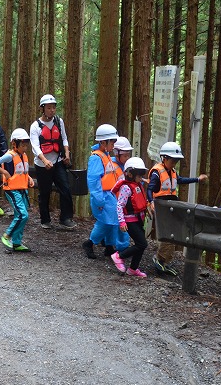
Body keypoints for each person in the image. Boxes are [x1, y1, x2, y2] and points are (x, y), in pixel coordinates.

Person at [147, 141, 208, 276]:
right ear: (165, 158)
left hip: (171, 207)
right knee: (168, 234)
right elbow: (150, 189)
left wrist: (197, 179)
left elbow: (180, 180)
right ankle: (160, 259)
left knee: (173, 234)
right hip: (162, 207)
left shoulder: (172, 172)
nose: (174, 163)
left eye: (176, 161)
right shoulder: (157, 173)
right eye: (173, 161)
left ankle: (163, 261)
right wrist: (150, 201)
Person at [29, 94, 75, 230]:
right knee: (45, 192)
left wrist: (66, 154)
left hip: (58, 161)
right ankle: (45, 219)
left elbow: (64, 139)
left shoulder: (58, 121)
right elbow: (35, 146)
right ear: (42, 109)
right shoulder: (35, 126)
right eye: (49, 108)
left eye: (54, 107)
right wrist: (44, 160)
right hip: (43, 165)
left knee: (65, 188)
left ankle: (65, 218)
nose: (52, 110)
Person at [0, 128, 35, 252]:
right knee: (23, 215)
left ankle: (16, 242)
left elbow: (21, 171)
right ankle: (7, 235)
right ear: (14, 143)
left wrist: (29, 178)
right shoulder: (9, 156)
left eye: (26, 145)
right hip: (12, 189)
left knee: (20, 215)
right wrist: (4, 172)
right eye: (22, 145)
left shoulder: (23, 156)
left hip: (22, 189)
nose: (25, 147)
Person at [81, 124, 122, 259]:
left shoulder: (106, 155)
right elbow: (93, 181)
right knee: (105, 222)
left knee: (113, 221)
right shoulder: (96, 158)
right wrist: (99, 200)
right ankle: (90, 243)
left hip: (109, 195)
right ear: (103, 142)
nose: (114, 145)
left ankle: (109, 246)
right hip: (102, 195)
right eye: (112, 142)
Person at [110, 157, 150, 278]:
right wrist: (122, 222)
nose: (141, 176)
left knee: (141, 244)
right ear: (131, 174)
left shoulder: (137, 185)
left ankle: (133, 269)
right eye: (139, 174)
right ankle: (118, 256)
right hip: (130, 220)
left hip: (138, 219)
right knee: (142, 244)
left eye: (142, 173)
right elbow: (119, 205)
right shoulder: (126, 187)